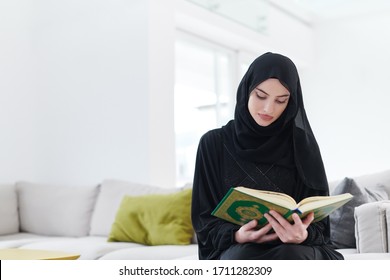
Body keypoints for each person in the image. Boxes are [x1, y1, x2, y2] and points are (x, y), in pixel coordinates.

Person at [191, 52, 343, 260]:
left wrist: (302, 234)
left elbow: (320, 226)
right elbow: (203, 219)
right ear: (246, 91)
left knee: (291, 255)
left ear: (291, 103)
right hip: (237, 247)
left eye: (281, 100)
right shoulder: (213, 144)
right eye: (260, 96)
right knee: (240, 259)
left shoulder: (301, 145)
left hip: (295, 248)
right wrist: (236, 234)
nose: (268, 108)